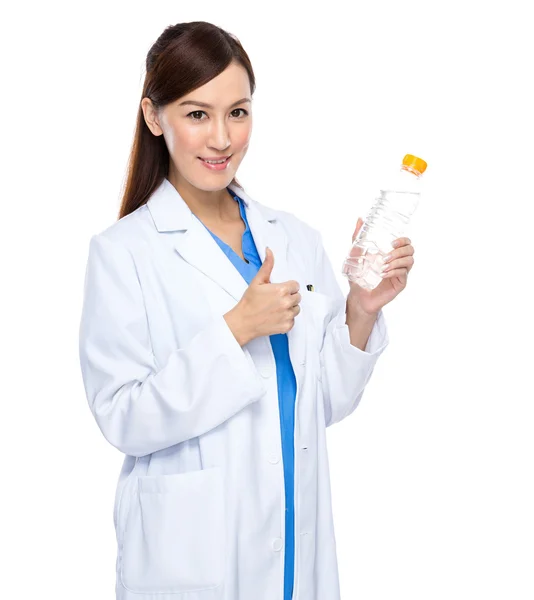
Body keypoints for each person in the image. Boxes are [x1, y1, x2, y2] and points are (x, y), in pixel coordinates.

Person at [78, 20, 414, 600]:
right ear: (155, 118)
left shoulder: (295, 238)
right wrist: (234, 331)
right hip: (193, 558)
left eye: (238, 112)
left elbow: (323, 402)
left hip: (294, 544)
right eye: (196, 113)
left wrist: (361, 308)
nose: (221, 138)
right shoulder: (123, 253)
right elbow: (123, 419)